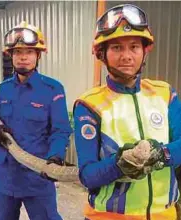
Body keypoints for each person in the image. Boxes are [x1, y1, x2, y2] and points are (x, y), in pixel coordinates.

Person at [73, 4, 181, 220]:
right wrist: (119, 164)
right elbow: (88, 176)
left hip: (165, 214)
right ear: (101, 54)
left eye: (134, 47)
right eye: (116, 48)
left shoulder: (165, 93)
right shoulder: (89, 105)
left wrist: (162, 154)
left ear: (145, 50)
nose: (127, 56)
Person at [0, 21, 72, 220]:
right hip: (5, 175)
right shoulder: (4, 88)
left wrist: (55, 158)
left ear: (38, 55)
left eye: (29, 52)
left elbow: (60, 130)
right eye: (17, 52)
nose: (23, 57)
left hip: (36, 176)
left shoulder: (52, 89)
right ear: (11, 56)